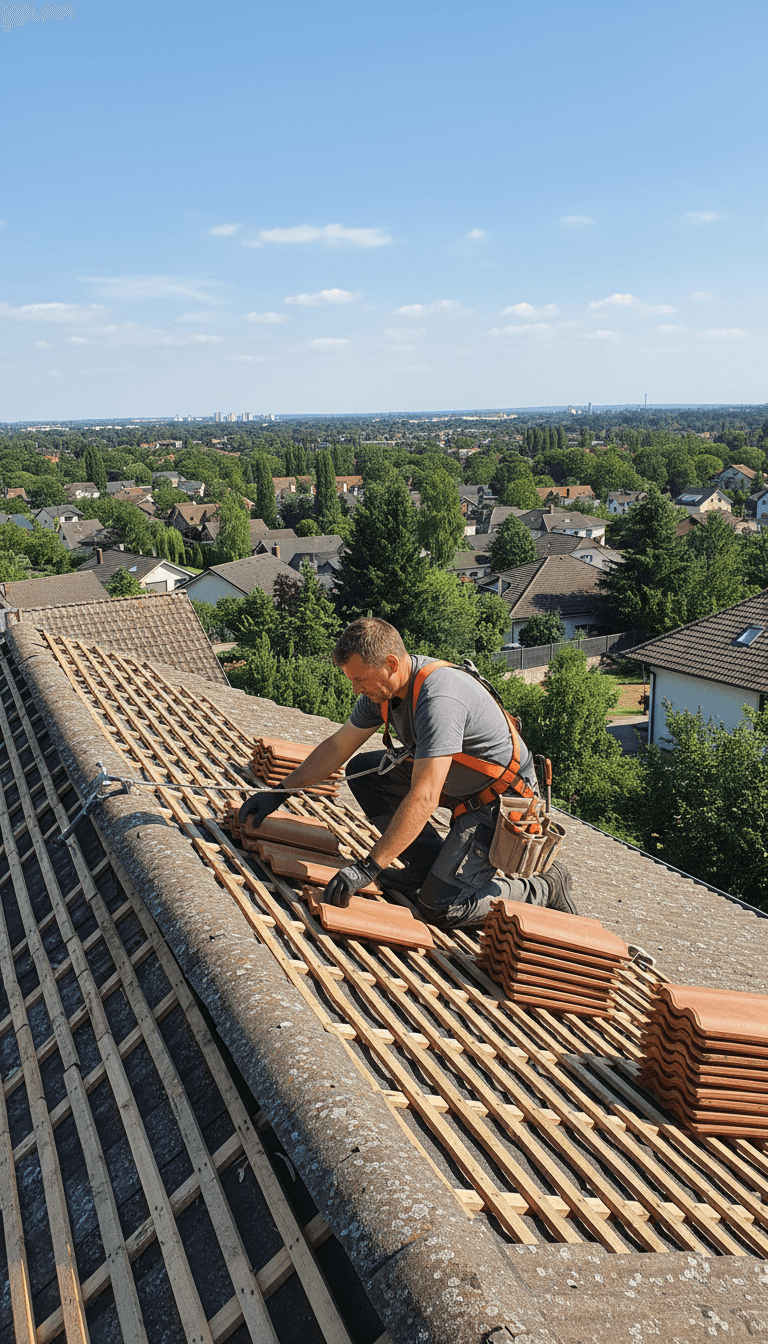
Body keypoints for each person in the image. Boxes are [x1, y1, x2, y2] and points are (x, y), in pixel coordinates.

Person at [239, 617, 576, 929]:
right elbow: (337, 748)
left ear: (391, 665)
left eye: (360, 679)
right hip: (457, 784)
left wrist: (369, 868)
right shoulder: (381, 691)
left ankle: (543, 887)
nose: (356, 689)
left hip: (496, 801)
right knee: (366, 771)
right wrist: (278, 793)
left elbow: (425, 795)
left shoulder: (438, 698)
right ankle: (426, 866)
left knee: (440, 908)